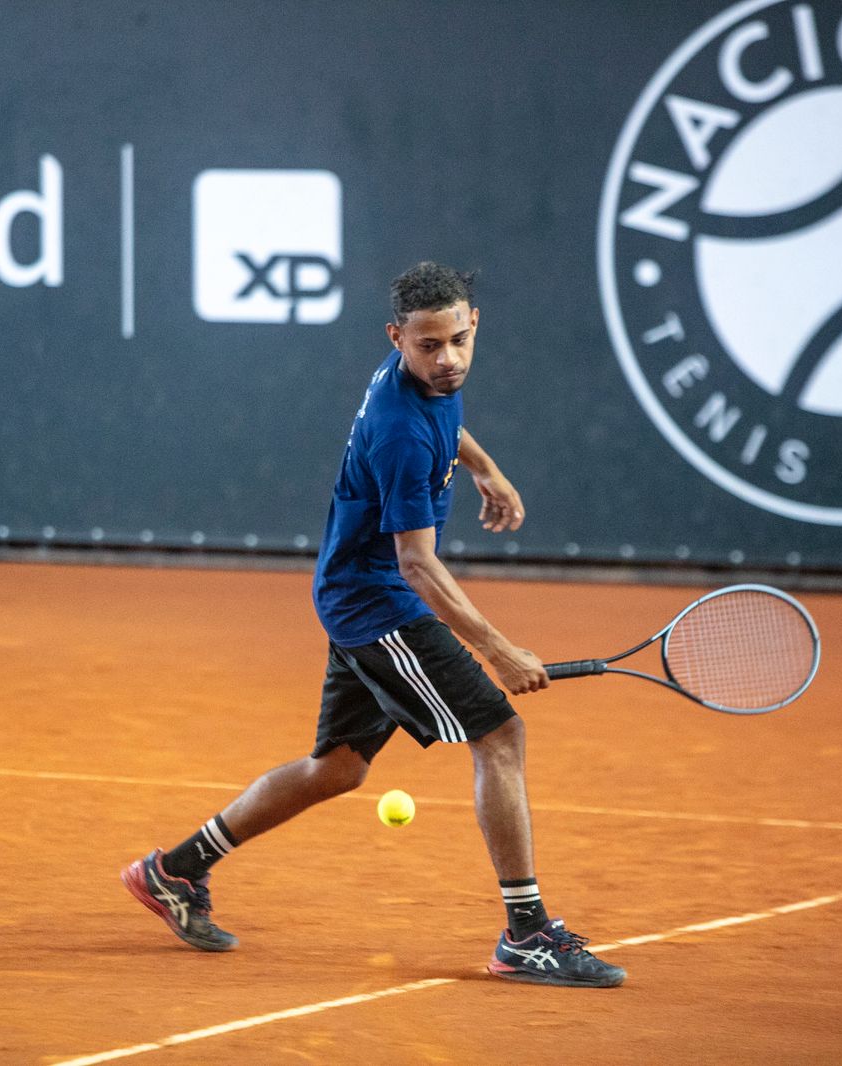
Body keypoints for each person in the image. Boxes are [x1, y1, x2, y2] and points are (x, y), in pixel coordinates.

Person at [122, 262, 625, 988]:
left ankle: (173, 870)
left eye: (456, 339)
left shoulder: (422, 383)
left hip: (352, 594)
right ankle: (527, 934)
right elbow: (417, 565)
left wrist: (484, 467)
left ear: (473, 323)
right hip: (378, 603)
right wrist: (498, 650)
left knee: (338, 769)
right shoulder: (399, 433)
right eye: (427, 346)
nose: (445, 358)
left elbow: (446, 421)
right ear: (397, 337)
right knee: (500, 732)